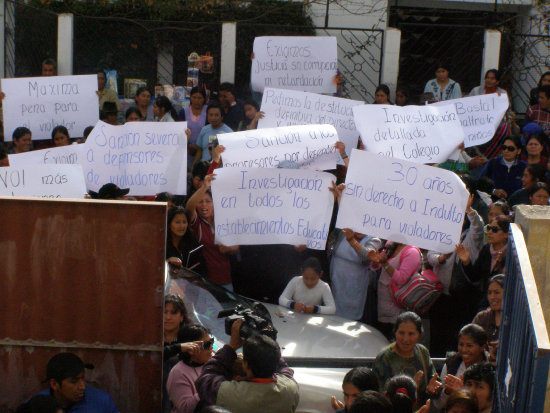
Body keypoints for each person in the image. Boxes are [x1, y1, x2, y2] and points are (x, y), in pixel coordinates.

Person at [196, 319, 300, 413]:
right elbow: (284, 368)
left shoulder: (229, 394)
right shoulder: (290, 389)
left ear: (245, 366)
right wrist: (268, 343)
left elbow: (207, 377)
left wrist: (231, 346)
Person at [427, 193, 485, 357]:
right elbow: (431, 257)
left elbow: (479, 228)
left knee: (457, 336)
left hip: (462, 298)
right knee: (437, 337)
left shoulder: (471, 237)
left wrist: (469, 210)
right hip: (441, 295)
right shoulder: (441, 235)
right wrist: (442, 257)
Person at [373, 312, 441, 404]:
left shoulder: (422, 352)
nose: (405, 339)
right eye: (401, 333)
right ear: (395, 332)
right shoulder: (384, 358)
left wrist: (434, 388)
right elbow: (379, 396)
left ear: (419, 335)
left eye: (411, 334)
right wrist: (411, 389)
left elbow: (433, 379)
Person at [185, 174, 235, 288]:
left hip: (227, 279)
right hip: (206, 283)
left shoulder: (223, 221)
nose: (204, 205)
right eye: (200, 201)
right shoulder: (198, 223)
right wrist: (204, 188)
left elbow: (234, 247)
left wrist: (232, 249)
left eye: (208, 201)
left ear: (214, 203)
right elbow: (188, 207)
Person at [456, 215, 511, 310]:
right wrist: (466, 262)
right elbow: (475, 276)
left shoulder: (510, 255)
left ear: (506, 234)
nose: (489, 232)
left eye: (495, 229)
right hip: (484, 302)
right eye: (489, 228)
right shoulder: (486, 250)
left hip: (502, 305)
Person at [369, 242, 422, 338]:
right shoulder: (391, 243)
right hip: (382, 303)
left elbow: (401, 279)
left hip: (396, 306)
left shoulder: (412, 252)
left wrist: (385, 263)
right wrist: (376, 261)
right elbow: (377, 267)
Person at [36, 352, 118, 412]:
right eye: (74, 382)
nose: (82, 387)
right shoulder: (36, 407)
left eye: (82, 378)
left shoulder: (101, 401)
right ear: (54, 384)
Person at [434, 324, 489, 409]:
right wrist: (447, 392)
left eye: (469, 346)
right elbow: (439, 405)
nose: (464, 350)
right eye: (461, 345)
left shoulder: (490, 368)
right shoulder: (451, 365)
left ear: (483, 347)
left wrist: (461, 392)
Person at [166, 324, 214, 413]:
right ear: (191, 348)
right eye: (206, 345)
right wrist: (208, 386)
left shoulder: (212, 363)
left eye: (211, 342)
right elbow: (185, 408)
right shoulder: (178, 372)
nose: (211, 347)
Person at [480, 136, 526, 200]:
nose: (506, 151)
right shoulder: (492, 163)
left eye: (511, 149)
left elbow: (527, 188)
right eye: (504, 148)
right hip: (493, 204)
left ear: (518, 151)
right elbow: (480, 183)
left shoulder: (524, 167)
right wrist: (494, 191)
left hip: (516, 205)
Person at [473, 274, 504, 362]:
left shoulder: (514, 320)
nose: (492, 297)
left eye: (497, 292)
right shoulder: (482, 318)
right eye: (489, 293)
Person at [166, 206, 203, 271]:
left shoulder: (192, 242)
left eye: (184, 222)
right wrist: (167, 261)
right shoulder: (162, 244)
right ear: (169, 224)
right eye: (177, 222)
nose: (181, 226)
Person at [179, 87, 207, 170]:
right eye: (194, 97)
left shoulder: (208, 111)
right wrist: (188, 146)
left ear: (204, 99)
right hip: (186, 150)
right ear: (190, 98)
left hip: (203, 149)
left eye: (199, 98)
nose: (197, 101)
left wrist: (198, 147)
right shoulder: (183, 111)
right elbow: (180, 131)